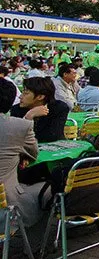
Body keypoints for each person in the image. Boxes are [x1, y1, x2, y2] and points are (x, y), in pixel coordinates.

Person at [0, 78, 45, 229]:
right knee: (51, 187)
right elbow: (33, 154)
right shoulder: (18, 126)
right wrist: (28, 118)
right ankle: (36, 245)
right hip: (5, 205)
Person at [11, 77, 69, 142]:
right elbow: (15, 136)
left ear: (40, 97)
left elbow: (53, 135)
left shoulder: (59, 108)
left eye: (26, 93)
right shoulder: (16, 109)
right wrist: (28, 117)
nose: (20, 96)